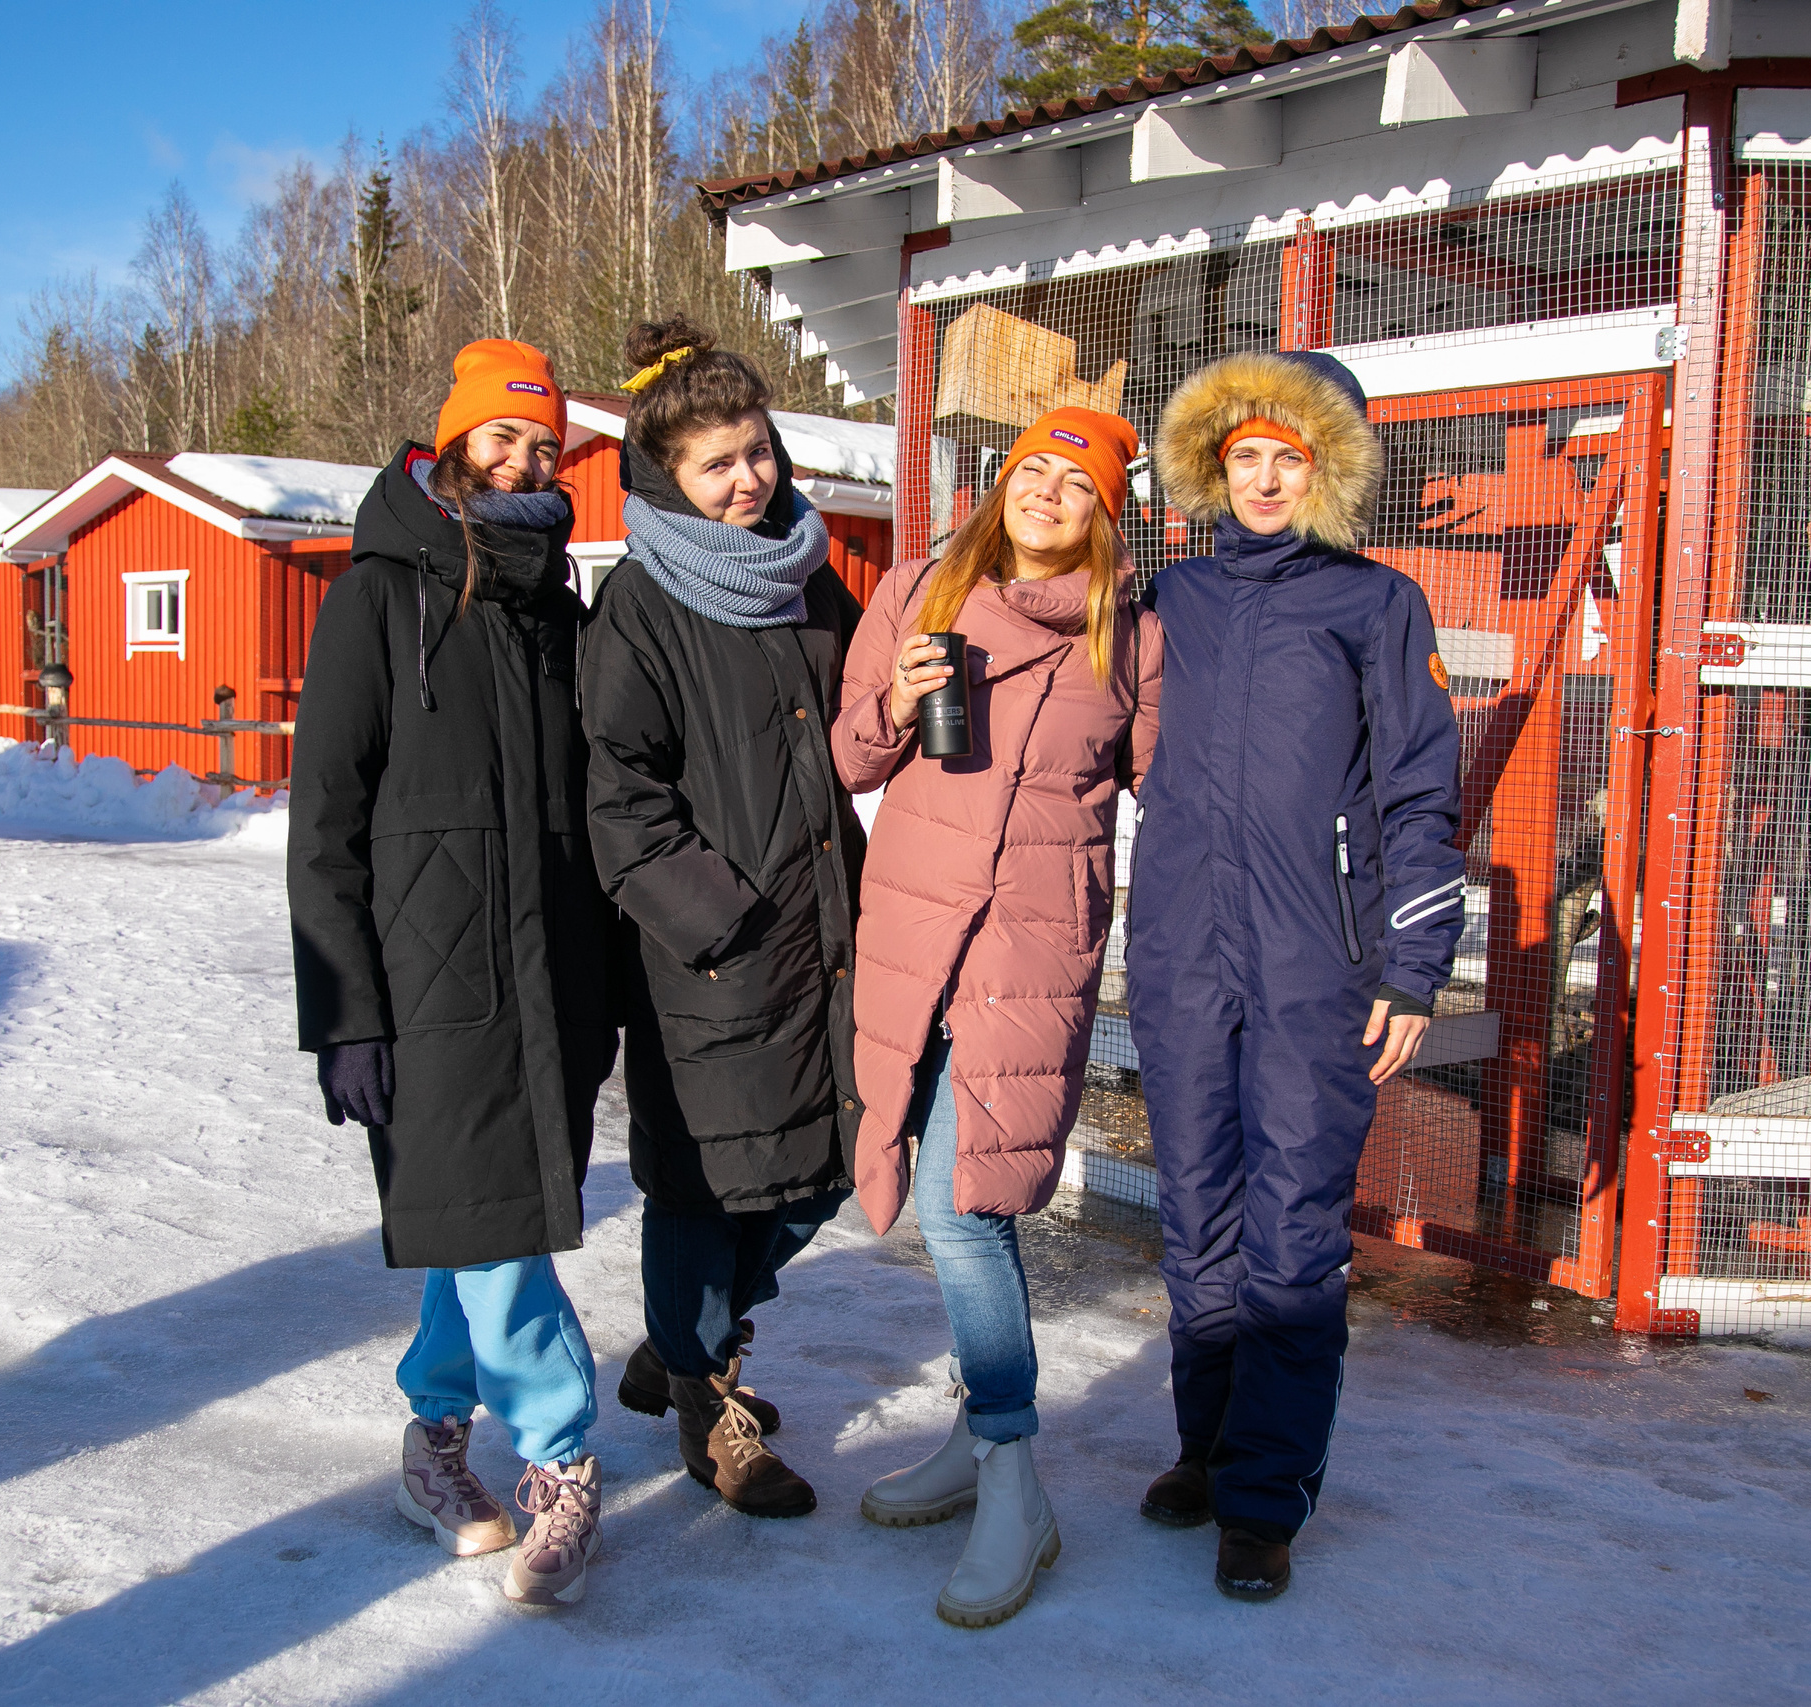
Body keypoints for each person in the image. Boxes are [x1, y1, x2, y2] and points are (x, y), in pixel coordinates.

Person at [1129, 350, 1464, 1601]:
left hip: (1314, 965)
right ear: (1214, 466)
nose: (1263, 480)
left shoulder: (1376, 605)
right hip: (1177, 954)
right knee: (1197, 1211)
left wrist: (1413, 966)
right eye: (1244, 457)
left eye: (1289, 458)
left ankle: (1263, 1499)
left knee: (1291, 1234)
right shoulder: (1169, 597)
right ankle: (1202, 1449)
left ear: (1325, 471)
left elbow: (1419, 796)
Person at [288, 339, 618, 1608]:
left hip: (552, 971)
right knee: (498, 1236)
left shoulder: (555, 600)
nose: (526, 461)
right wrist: (345, 1014)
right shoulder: (379, 593)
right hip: (427, 982)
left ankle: (433, 1436)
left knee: (482, 1223)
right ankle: (563, 1455)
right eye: (503, 439)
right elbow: (323, 814)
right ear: (452, 444)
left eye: (544, 446)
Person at [833, 406, 1162, 1628]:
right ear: (999, 482)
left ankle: (1015, 1481)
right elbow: (853, 758)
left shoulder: (1127, 635)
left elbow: (1176, 782)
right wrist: (896, 696)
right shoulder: (922, 590)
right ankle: (979, 1448)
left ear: (1104, 515)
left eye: (1075, 485)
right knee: (944, 1199)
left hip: (1027, 948)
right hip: (916, 930)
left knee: (965, 1209)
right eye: (1032, 472)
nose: (1046, 495)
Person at [579, 318, 866, 1519]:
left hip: (827, 931)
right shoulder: (641, 608)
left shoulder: (802, 575)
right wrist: (719, 920)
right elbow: (616, 795)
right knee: (710, 1191)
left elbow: (860, 706)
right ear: (665, 481)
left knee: (821, 1172)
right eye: (716, 465)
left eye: (755, 452)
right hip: (716, 955)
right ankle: (710, 1408)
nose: (746, 479)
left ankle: (679, 1347)